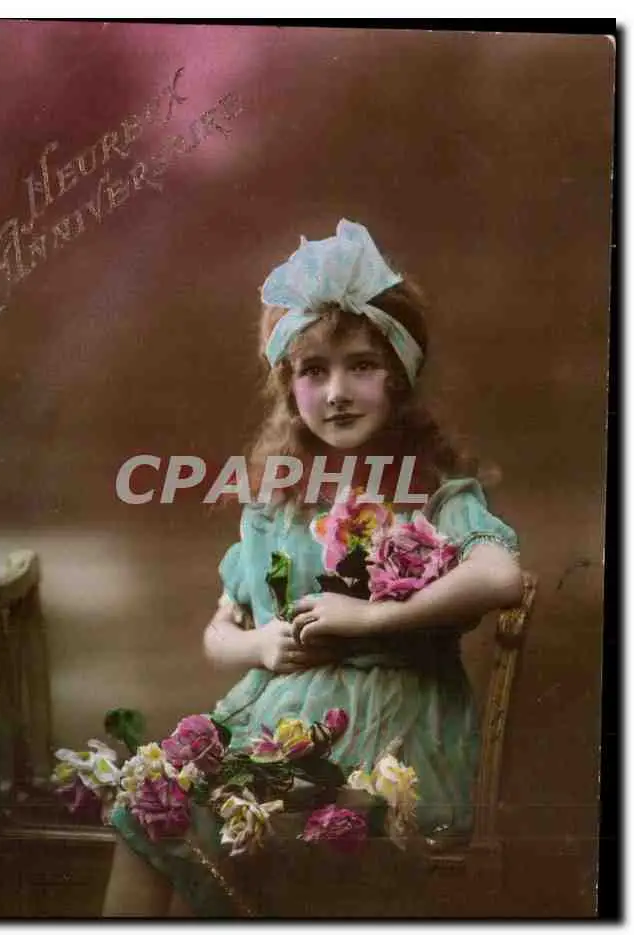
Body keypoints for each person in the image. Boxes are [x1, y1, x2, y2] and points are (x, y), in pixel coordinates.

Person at [102, 218, 523, 917]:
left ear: (399, 376)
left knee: (260, 822)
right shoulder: (279, 503)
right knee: (151, 810)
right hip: (278, 725)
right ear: (288, 385)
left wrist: (374, 616)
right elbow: (219, 631)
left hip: (394, 737)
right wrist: (261, 645)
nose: (336, 392)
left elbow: (500, 576)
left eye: (361, 366)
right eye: (313, 370)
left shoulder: (432, 492)